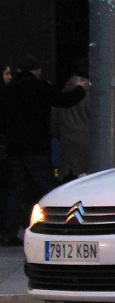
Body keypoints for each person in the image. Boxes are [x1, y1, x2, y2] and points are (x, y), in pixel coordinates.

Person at [1, 54, 87, 244]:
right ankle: (57, 225)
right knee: (47, 187)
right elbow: (64, 101)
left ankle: (8, 232)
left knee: (16, 190)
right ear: (37, 70)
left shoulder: (8, 90)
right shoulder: (40, 87)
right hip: (36, 147)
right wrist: (80, 89)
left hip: (15, 148)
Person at [50, 56, 93, 180]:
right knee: (85, 175)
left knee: (68, 176)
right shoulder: (90, 97)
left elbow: (54, 125)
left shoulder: (61, 97)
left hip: (66, 141)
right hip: (86, 140)